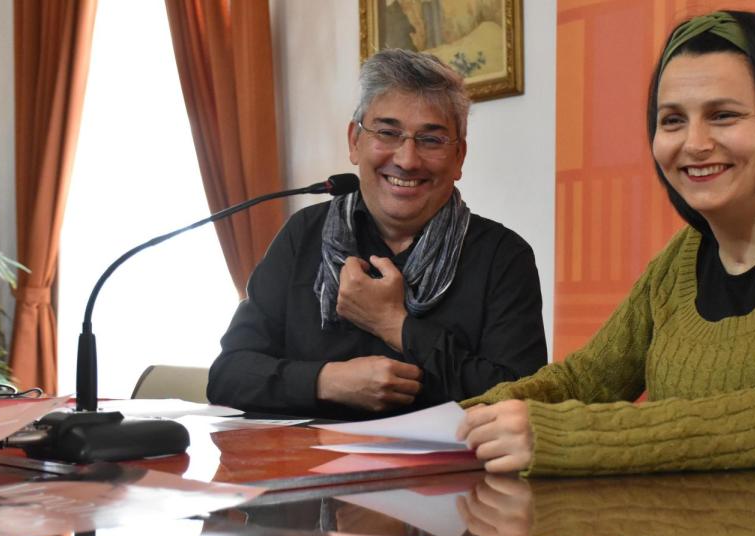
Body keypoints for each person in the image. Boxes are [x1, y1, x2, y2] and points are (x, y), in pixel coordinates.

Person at [457, 11, 755, 479]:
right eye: (672, 121)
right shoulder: (683, 256)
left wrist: (560, 436)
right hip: (710, 529)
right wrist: (457, 424)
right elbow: (585, 381)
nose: (693, 143)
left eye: (723, 116)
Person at [208, 49, 547, 419]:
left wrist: (394, 325)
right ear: (355, 141)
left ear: (459, 156)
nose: (406, 159)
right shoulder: (304, 234)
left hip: (446, 472)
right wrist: (327, 381)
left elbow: (520, 400)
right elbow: (229, 375)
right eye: (387, 133)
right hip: (306, 467)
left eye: (431, 140)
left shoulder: (502, 256)